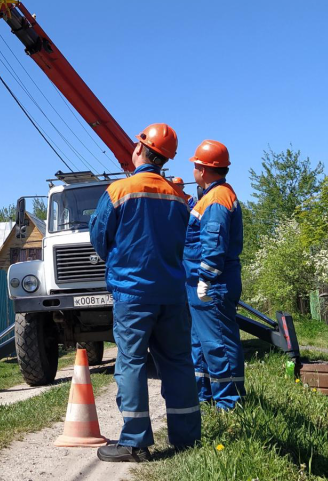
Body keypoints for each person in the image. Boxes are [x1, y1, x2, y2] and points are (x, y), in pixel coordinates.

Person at [89, 124, 201, 462]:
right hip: (172, 294)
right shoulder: (178, 197)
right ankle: (187, 439)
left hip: (133, 295)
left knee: (132, 363)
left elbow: (99, 239)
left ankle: (135, 442)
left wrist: (120, 262)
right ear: (166, 159)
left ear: (140, 149)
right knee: (179, 363)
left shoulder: (119, 191)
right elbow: (188, 242)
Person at [184, 139, 245, 410]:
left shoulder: (218, 198)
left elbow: (214, 239)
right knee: (201, 343)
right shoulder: (211, 196)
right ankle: (205, 397)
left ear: (204, 169)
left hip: (213, 283)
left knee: (218, 342)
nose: (194, 170)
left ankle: (230, 405)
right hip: (205, 282)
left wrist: (206, 277)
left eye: (196, 165)